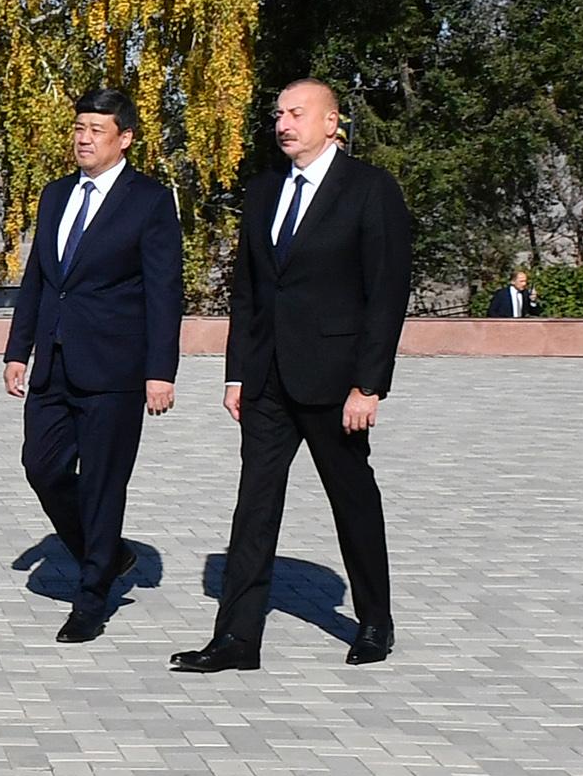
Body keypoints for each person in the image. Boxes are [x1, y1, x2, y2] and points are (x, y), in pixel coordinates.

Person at [173, 79, 411, 674]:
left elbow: (386, 293)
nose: (283, 123)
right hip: (267, 381)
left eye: (297, 113)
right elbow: (249, 291)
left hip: (336, 382)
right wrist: (236, 375)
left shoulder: (369, 189)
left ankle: (374, 621)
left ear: (331, 123)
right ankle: (236, 639)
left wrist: (368, 385)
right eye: (278, 114)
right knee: (254, 504)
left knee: (352, 500)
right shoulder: (263, 191)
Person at [0, 88, 184, 642]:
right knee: (42, 466)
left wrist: (161, 370)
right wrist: (17, 350)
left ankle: (91, 595)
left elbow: (164, 291)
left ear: (124, 138)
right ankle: (108, 552)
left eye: (96, 130)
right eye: (79, 127)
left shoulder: (149, 201)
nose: (83, 138)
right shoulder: (56, 195)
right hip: (53, 363)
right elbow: (39, 278)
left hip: (115, 368)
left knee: (104, 483)